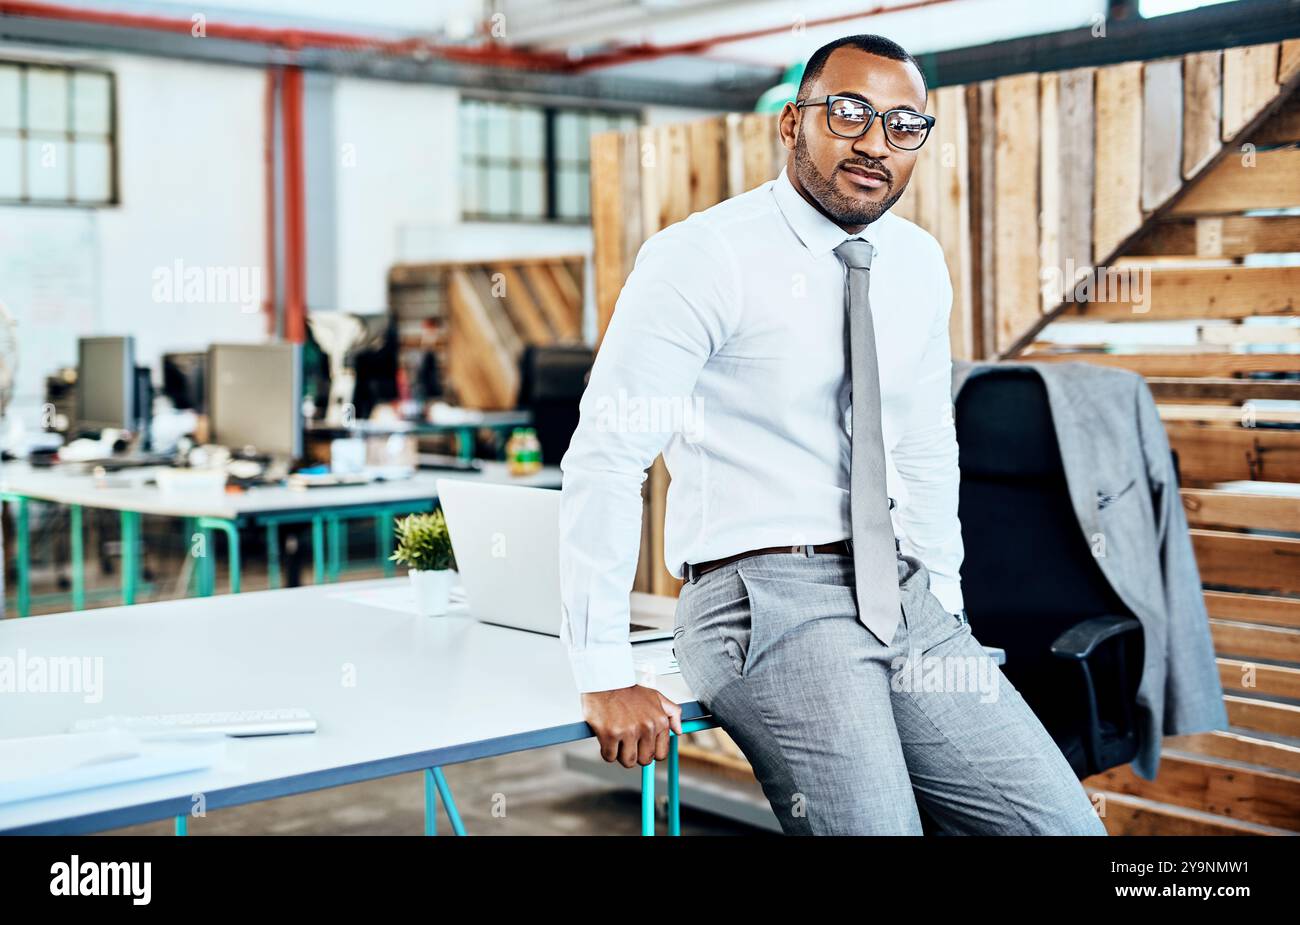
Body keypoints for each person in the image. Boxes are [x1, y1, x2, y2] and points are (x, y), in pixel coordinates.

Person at [558, 33, 1106, 835]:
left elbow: (923, 448)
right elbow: (608, 455)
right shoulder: (703, 257)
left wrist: (945, 608)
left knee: (1063, 828)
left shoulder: (917, 262)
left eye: (902, 125)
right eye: (849, 113)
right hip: (762, 596)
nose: (874, 143)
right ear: (792, 124)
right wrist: (601, 667)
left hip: (905, 596)